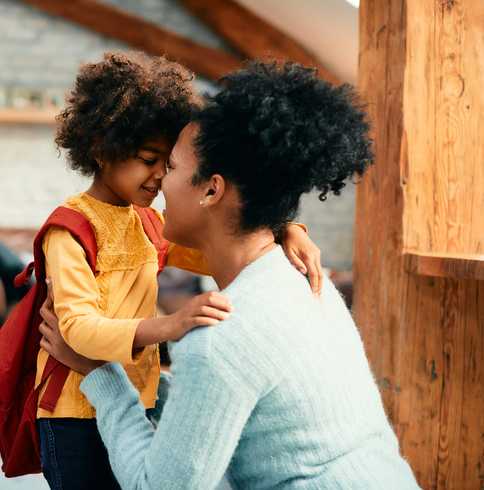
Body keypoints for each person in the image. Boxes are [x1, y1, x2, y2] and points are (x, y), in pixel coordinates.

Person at [39, 60, 421, 489]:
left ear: (212, 189)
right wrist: (285, 229)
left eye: (174, 166)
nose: (161, 181)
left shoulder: (218, 340)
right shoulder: (306, 280)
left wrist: (99, 372)